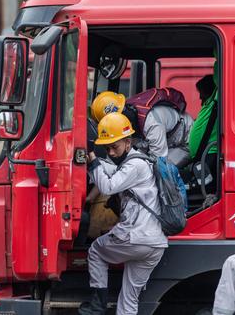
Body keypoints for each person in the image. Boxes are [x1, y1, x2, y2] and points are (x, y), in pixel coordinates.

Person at [80, 112, 166, 315]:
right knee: (128, 300)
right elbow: (112, 169)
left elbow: (108, 187)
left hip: (137, 238)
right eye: (107, 148)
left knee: (95, 251)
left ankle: (97, 306)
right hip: (155, 245)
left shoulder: (134, 165)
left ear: (128, 142)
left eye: (115, 147)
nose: (111, 152)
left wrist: (92, 159)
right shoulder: (139, 162)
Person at [91, 89, 194, 167]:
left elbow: (159, 161)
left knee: (161, 169)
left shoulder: (151, 122)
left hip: (184, 142)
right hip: (166, 141)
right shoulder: (128, 117)